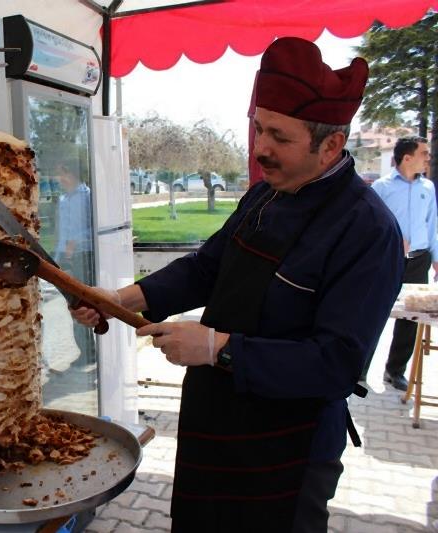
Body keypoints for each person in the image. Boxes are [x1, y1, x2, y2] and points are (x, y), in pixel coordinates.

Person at [72, 37, 404, 532]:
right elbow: (208, 268)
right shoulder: (264, 196)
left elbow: (336, 364)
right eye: (257, 128)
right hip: (214, 424)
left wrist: (217, 348)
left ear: (331, 144)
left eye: (279, 136)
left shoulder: (368, 230)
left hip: (286, 452)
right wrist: (121, 299)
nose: (260, 148)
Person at [363, 137, 435, 390]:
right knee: (373, 313)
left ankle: (395, 371)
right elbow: (367, 224)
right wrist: (391, 239)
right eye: (424, 153)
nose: (428, 157)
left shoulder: (428, 188)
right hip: (387, 259)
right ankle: (359, 369)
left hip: (418, 260)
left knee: (411, 320)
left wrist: (436, 259)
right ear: (407, 157)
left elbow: (432, 225)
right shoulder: (381, 188)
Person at [54, 161, 94, 368]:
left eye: (62, 174)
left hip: (81, 256)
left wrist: (76, 241)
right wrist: (57, 255)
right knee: (72, 305)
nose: (59, 179)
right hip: (65, 257)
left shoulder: (87, 197)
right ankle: (86, 351)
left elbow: (95, 229)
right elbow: (60, 231)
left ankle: (90, 352)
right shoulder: (63, 199)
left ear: (72, 174)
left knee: (82, 304)